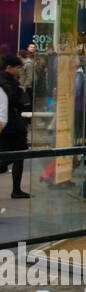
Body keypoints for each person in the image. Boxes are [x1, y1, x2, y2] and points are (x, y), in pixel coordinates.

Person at [0, 54, 29, 198]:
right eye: (17, 67)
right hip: (11, 125)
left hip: (9, 125)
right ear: (9, 67)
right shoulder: (7, 81)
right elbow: (15, 100)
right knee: (18, 154)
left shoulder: (7, 79)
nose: (18, 70)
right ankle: (16, 190)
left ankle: (16, 189)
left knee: (14, 155)